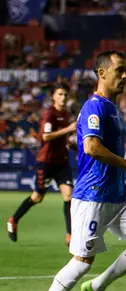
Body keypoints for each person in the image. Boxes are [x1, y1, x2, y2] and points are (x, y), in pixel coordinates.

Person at [26, 51, 126, 291]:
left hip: (116, 194)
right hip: (93, 196)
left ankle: (97, 288)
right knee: (81, 261)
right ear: (102, 73)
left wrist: (122, 180)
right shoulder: (94, 107)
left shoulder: (113, 108)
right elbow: (91, 148)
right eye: (120, 70)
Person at [8, 83, 76, 246]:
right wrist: (68, 130)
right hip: (46, 161)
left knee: (69, 196)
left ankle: (70, 235)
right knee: (37, 197)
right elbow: (45, 137)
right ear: (53, 96)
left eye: (65, 94)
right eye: (60, 94)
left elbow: (62, 137)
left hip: (62, 162)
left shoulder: (66, 113)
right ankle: (13, 220)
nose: (63, 97)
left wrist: (73, 146)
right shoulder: (49, 114)